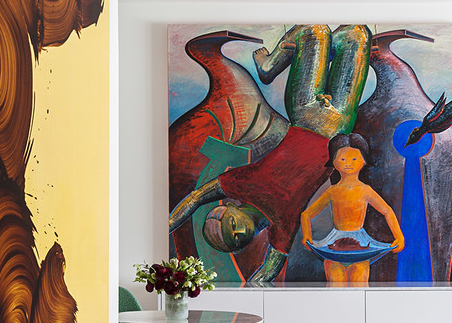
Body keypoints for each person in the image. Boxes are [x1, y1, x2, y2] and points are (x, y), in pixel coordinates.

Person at [170, 24, 372, 284]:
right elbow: (264, 275)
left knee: (316, 30)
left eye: (232, 225)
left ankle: (269, 67)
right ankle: (311, 57)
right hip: (339, 123)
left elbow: (196, 198)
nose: (241, 231)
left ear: (229, 207)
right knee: (356, 35)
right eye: (238, 240)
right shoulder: (282, 228)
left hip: (305, 113)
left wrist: (167, 224)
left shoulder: (240, 185)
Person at [301, 134, 404, 286]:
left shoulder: (365, 190)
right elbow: (306, 214)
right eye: (342, 159)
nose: (348, 163)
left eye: (354, 159)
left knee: (360, 287)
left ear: (363, 160)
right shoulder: (332, 191)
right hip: (333, 246)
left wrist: (399, 236)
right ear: (334, 162)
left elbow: (387, 211)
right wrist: (307, 236)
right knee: (335, 286)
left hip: (361, 245)